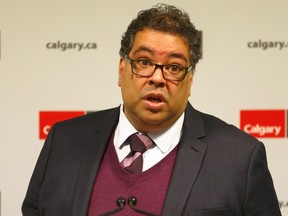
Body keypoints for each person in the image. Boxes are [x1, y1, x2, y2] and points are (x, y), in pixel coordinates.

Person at [22, 3, 281, 216]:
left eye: (174, 67)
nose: (158, 78)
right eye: (144, 62)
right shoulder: (63, 141)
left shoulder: (240, 157)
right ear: (122, 69)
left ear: (190, 80)